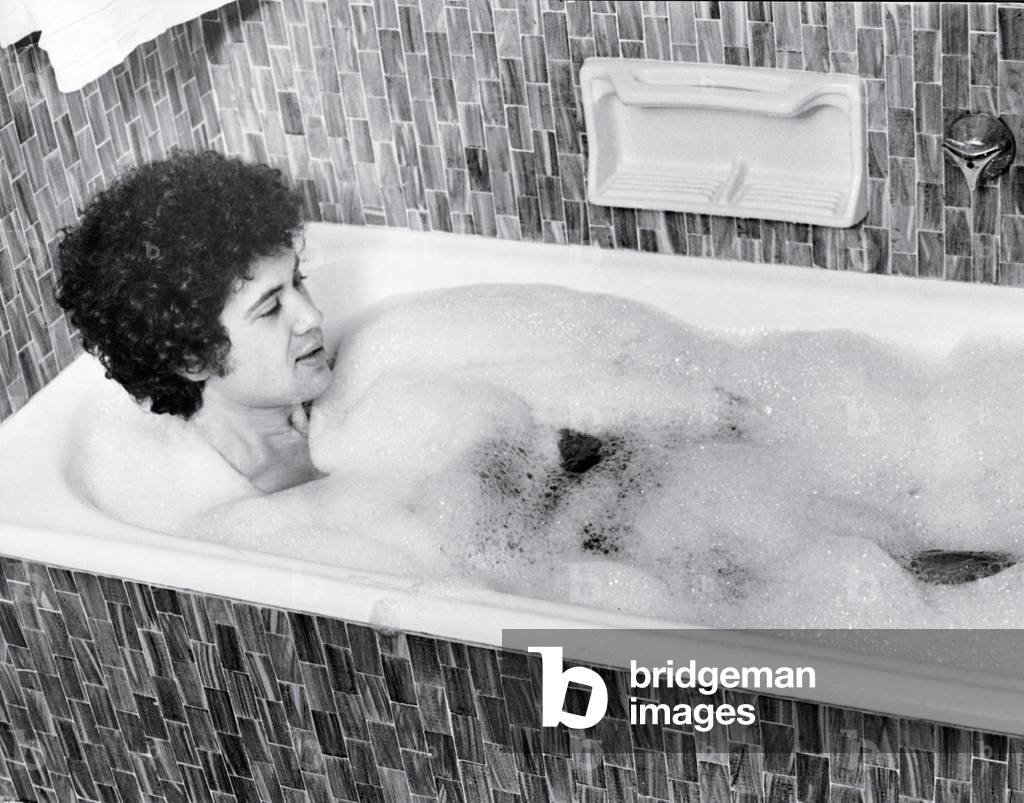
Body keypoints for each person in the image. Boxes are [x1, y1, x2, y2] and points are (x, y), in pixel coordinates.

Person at [55, 149, 331, 493]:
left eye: (298, 280)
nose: (311, 316)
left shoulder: (339, 408)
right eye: (271, 309)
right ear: (194, 358)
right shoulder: (244, 503)